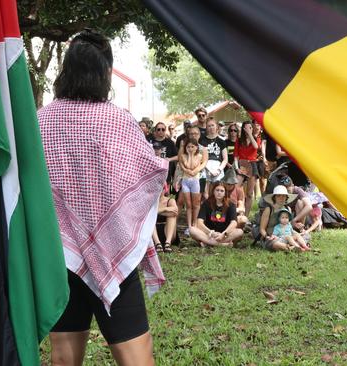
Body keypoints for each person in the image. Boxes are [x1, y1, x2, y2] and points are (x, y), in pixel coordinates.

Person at [38, 29, 167, 366]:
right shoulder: (117, 120)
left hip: (59, 253)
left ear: (66, 71)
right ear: (105, 73)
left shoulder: (41, 121)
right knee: (137, 358)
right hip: (112, 251)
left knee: (64, 357)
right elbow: (149, 176)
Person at [190, 182, 243, 246]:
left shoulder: (231, 204)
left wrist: (224, 234)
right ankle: (222, 245)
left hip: (224, 235)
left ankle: (208, 243)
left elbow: (234, 222)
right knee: (192, 230)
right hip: (209, 234)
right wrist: (210, 232)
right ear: (213, 191)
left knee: (239, 232)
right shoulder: (206, 203)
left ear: (225, 193)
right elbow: (199, 222)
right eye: (217, 190)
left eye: (222, 191)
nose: (219, 192)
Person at [257, 185, 300, 251]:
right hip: (272, 237)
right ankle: (291, 247)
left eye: (283, 196)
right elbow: (262, 229)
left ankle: (294, 246)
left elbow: (289, 226)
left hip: (286, 236)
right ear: (274, 197)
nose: (281, 198)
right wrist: (267, 236)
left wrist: (297, 229)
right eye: (278, 196)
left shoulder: (288, 208)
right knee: (275, 244)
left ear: (286, 197)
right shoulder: (269, 209)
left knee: (304, 236)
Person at [178, 137, 206, 230]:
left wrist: (192, 154)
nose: (190, 148)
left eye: (192, 147)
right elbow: (187, 166)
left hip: (195, 181)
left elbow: (193, 166)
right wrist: (189, 155)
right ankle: (189, 225)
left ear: (196, 147)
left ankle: (195, 224)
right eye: (188, 147)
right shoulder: (183, 156)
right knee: (188, 205)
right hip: (185, 181)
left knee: (196, 204)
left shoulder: (199, 156)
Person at [235, 120, 260, 218]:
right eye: (246, 128)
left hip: (252, 164)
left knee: (249, 194)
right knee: (236, 188)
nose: (248, 129)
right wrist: (237, 168)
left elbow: (256, 146)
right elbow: (236, 156)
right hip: (242, 164)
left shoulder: (256, 138)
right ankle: (236, 210)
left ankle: (246, 216)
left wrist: (250, 134)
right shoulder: (239, 140)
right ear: (243, 128)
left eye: (250, 127)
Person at [200, 117, 227, 197]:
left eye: (212, 125)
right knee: (205, 192)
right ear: (206, 127)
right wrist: (207, 169)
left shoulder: (221, 141)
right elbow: (200, 157)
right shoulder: (202, 140)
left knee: (216, 192)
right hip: (205, 167)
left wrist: (218, 170)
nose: (211, 127)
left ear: (216, 126)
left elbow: (225, 159)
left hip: (218, 168)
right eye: (209, 126)